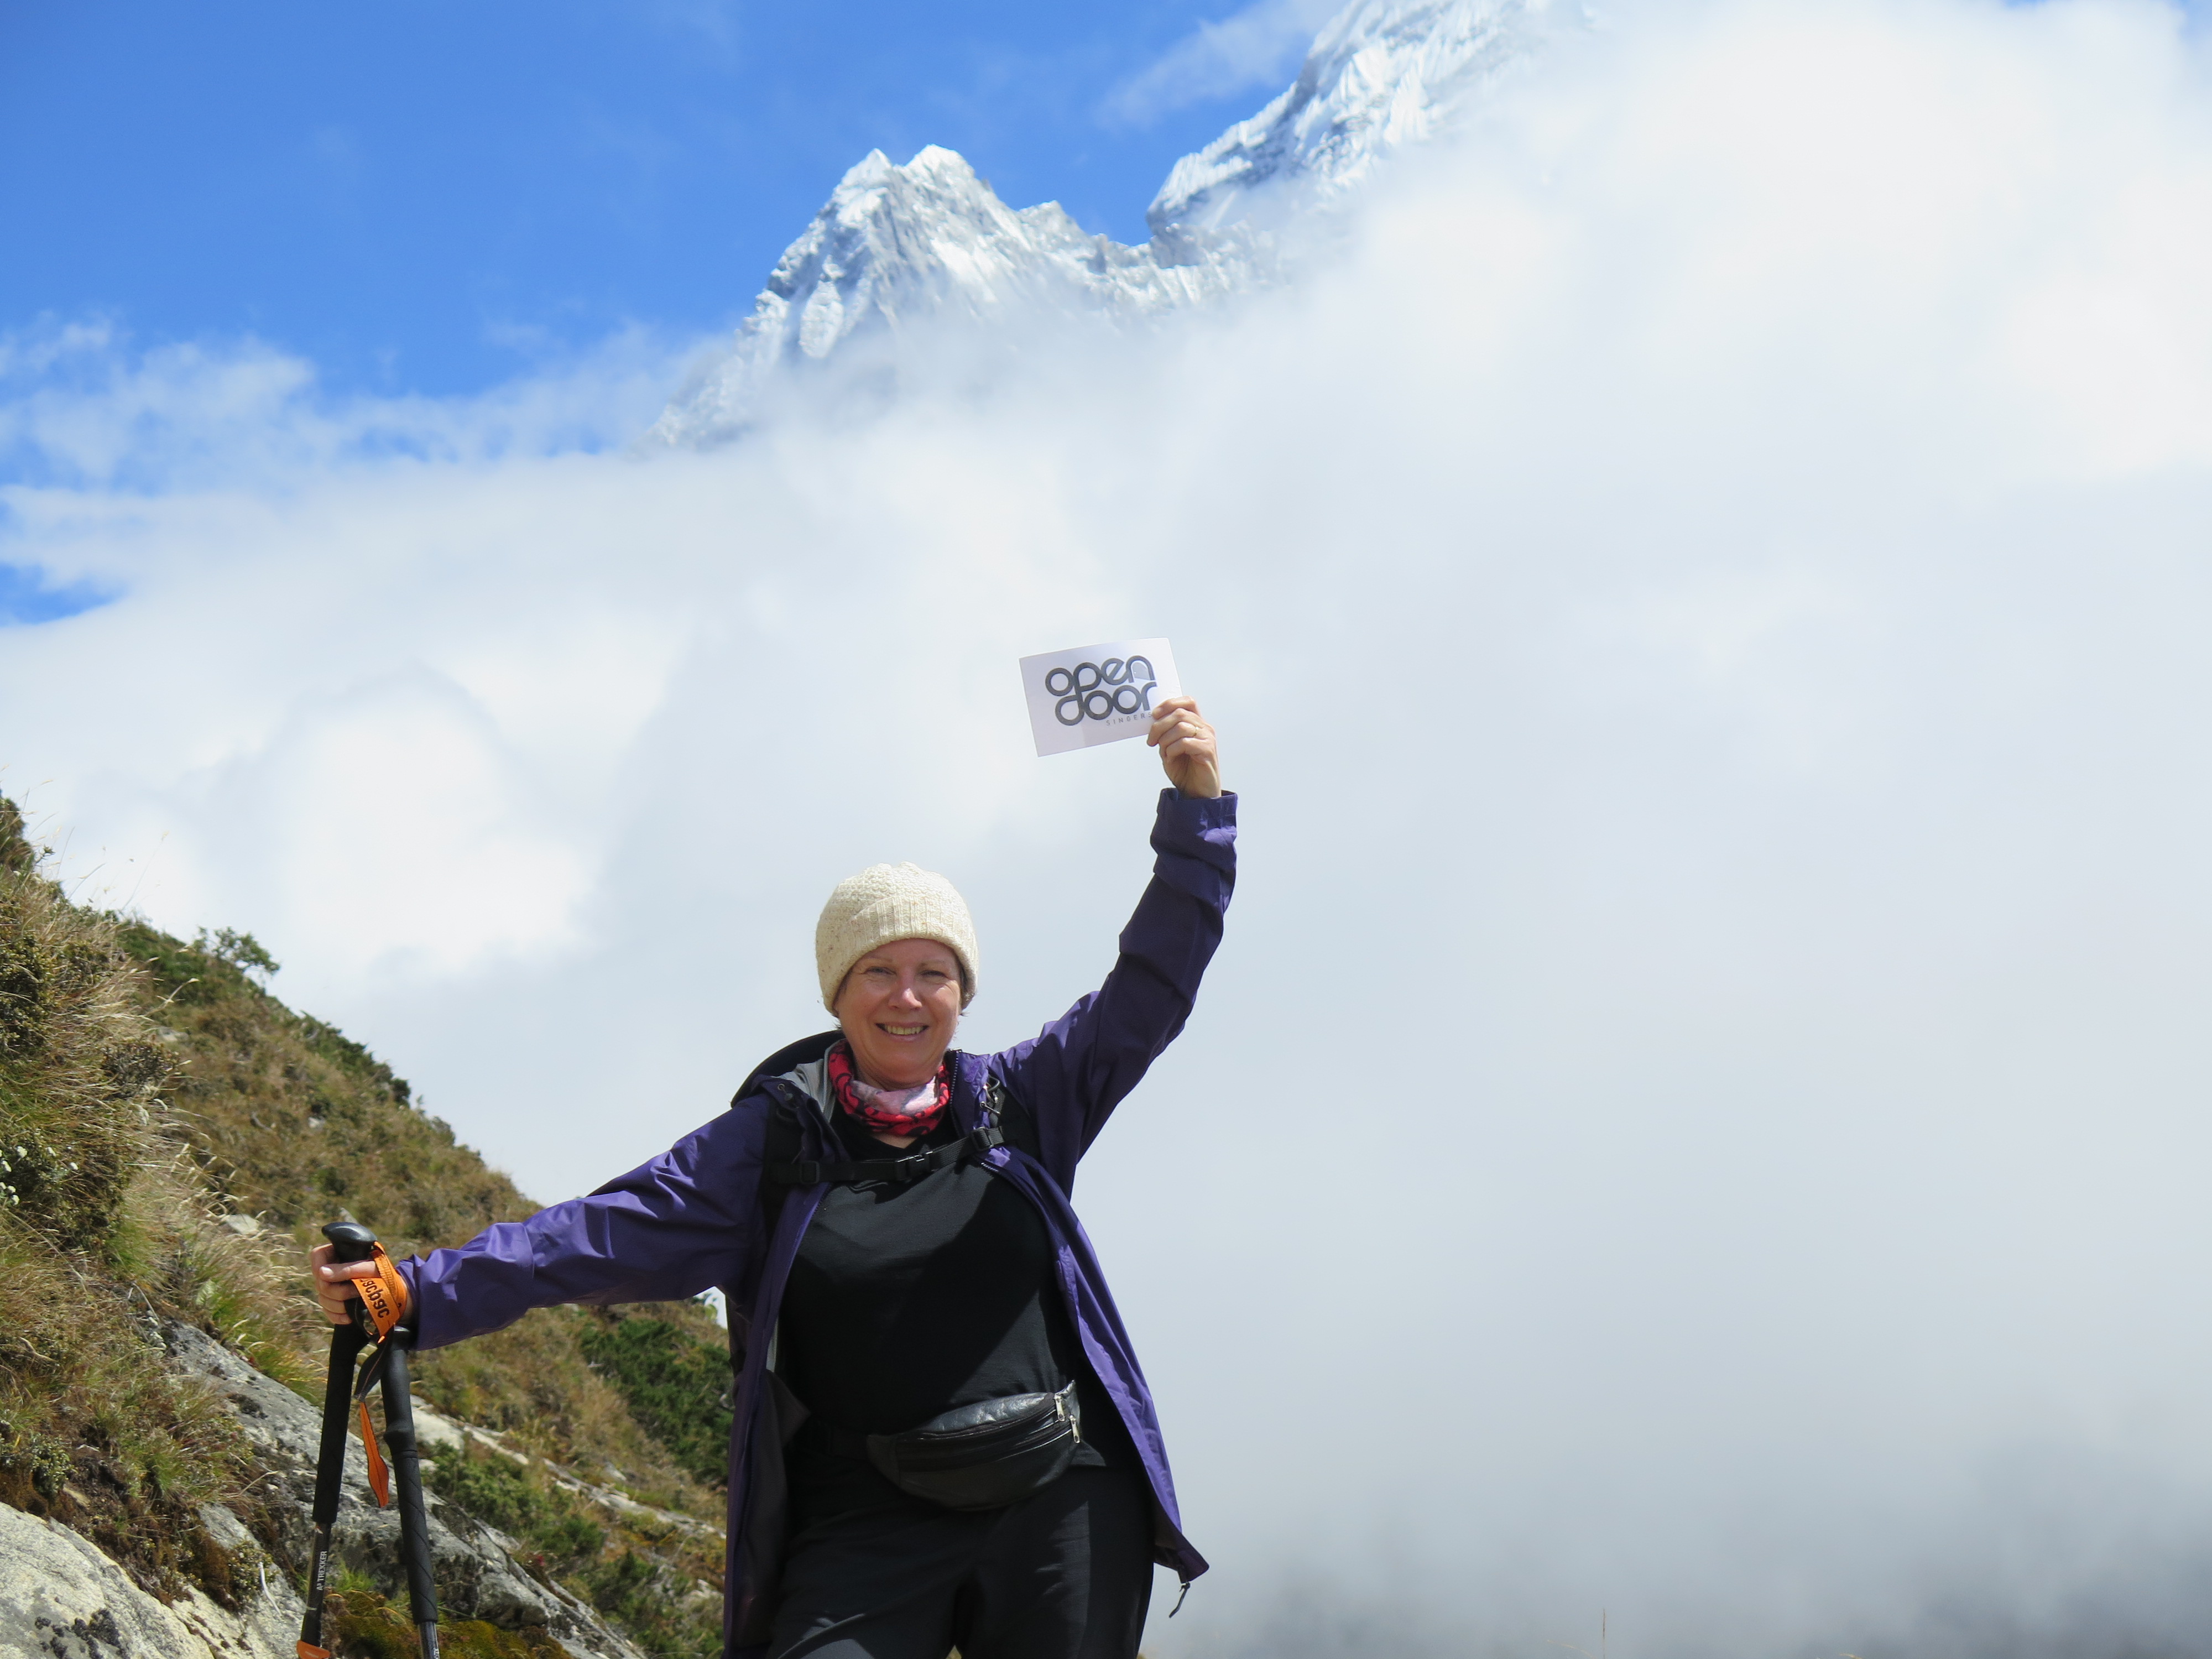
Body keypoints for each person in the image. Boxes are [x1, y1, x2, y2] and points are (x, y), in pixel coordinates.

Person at [313, 697, 1235, 1659]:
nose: (909, 997)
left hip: (1060, 1493)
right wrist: (418, 1290)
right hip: (869, 1511)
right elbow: (594, 1236)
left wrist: (1196, 812)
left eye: (936, 973)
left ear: (964, 994)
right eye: (879, 971)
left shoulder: (1024, 1101)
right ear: (837, 992)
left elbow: (1153, 986)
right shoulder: (769, 1145)